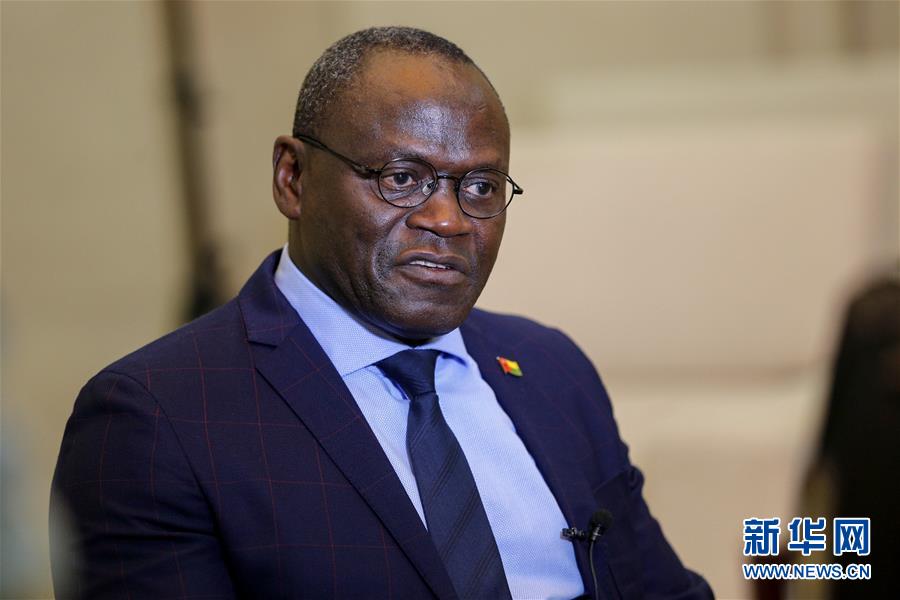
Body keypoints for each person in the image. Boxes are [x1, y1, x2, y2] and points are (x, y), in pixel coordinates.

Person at [51, 27, 712, 600]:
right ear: (292, 178)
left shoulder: (550, 368)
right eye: (402, 178)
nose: (448, 219)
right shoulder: (155, 418)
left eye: (481, 186)